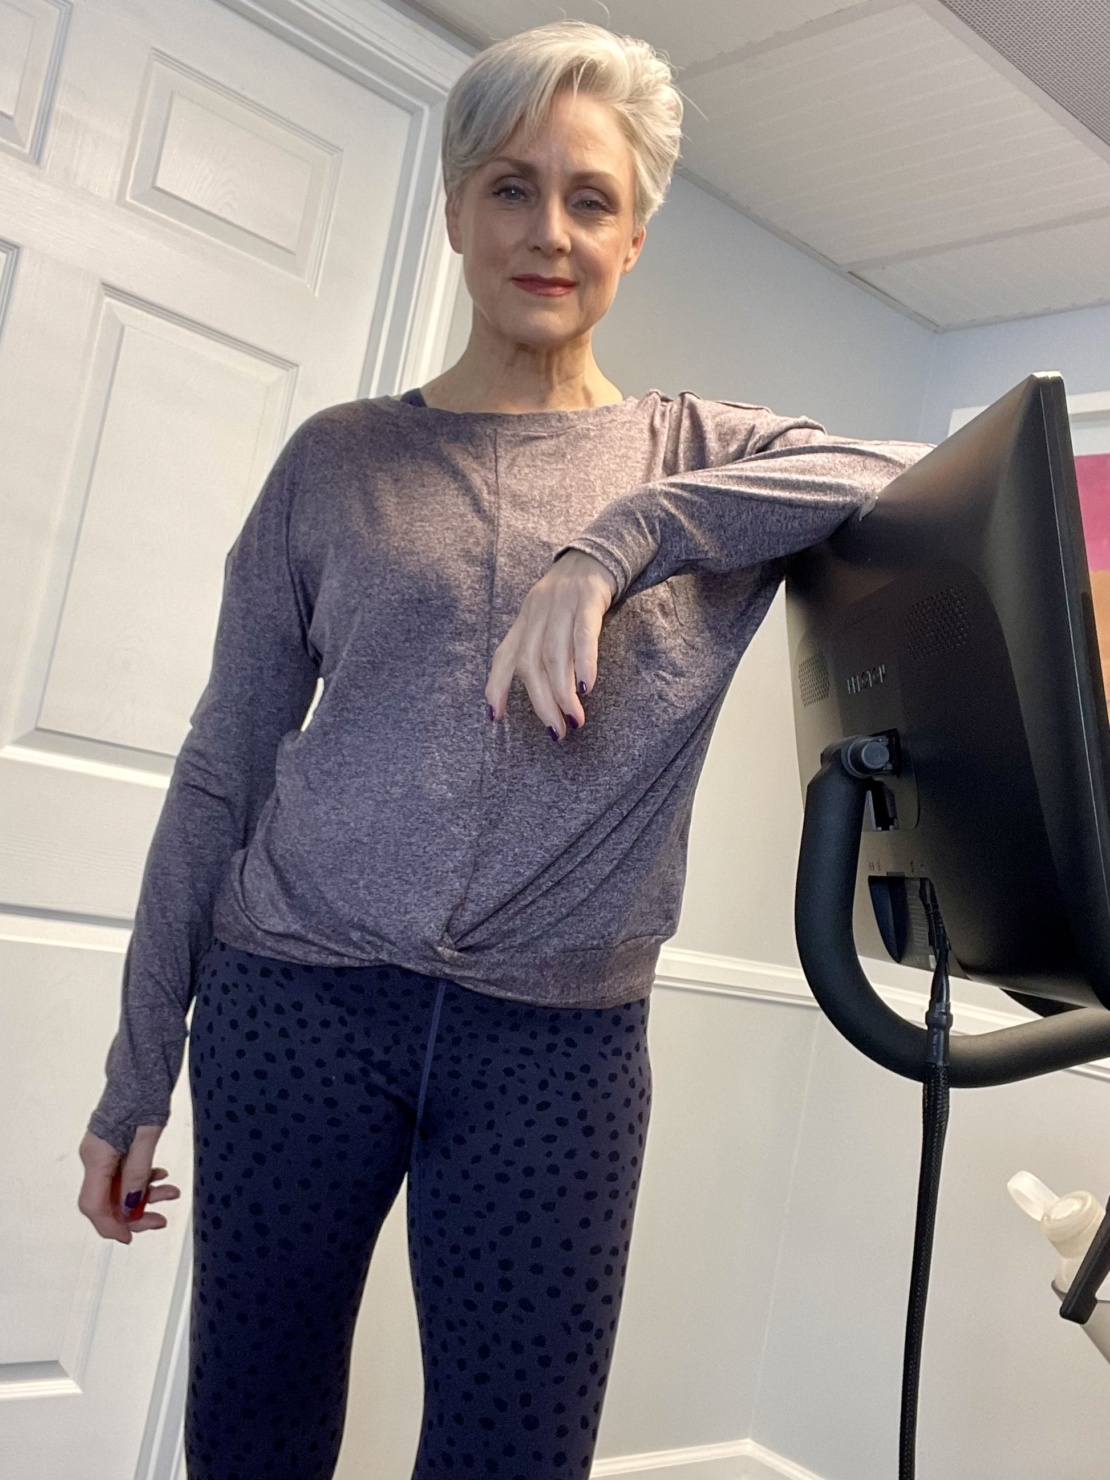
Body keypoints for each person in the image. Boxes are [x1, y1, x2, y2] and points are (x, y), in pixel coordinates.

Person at [77, 20, 928, 1480]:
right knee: (251, 1434)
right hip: (295, 1004)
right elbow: (223, 771)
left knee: (517, 1455)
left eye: (591, 199)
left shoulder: (691, 453)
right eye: (511, 188)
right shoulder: (336, 461)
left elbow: (908, 473)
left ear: (634, 237)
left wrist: (620, 540)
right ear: (457, 211)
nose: (550, 232)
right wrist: (136, 1073)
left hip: (556, 1047)